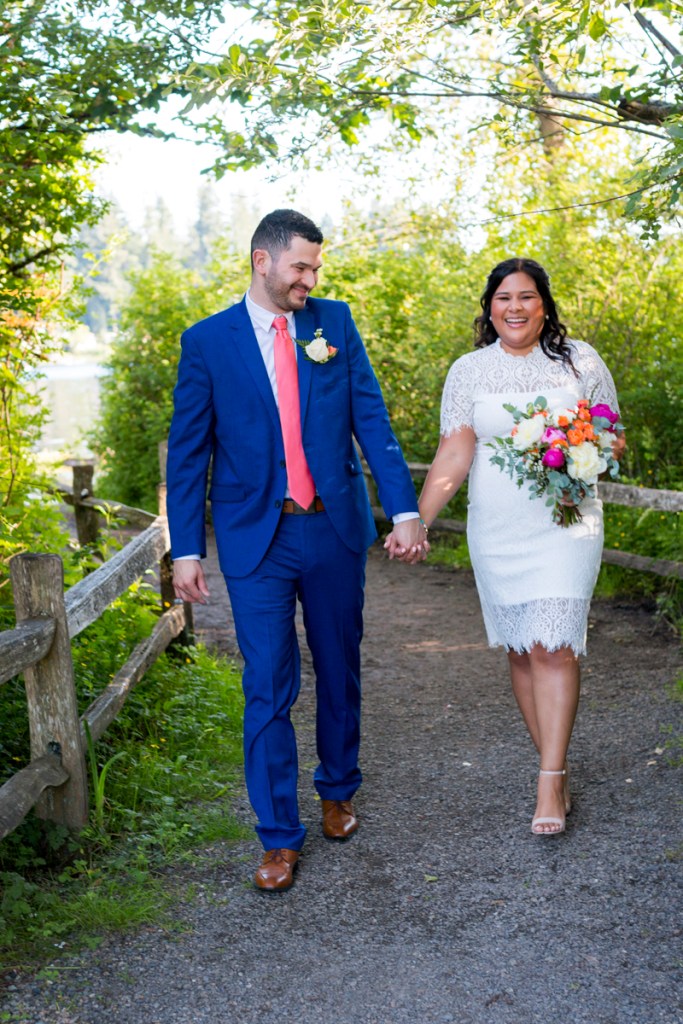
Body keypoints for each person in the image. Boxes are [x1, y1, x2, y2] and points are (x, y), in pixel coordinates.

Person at [166, 209, 427, 890]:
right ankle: (278, 836)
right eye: (300, 267)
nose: (310, 279)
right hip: (256, 538)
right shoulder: (207, 342)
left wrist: (404, 511)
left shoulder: (331, 323)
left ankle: (338, 789)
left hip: (332, 529)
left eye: (315, 267)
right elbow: (188, 455)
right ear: (263, 261)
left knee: (339, 667)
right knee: (267, 685)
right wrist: (185, 548)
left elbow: (371, 418)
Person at [387, 257, 625, 836]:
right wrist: (417, 520)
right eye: (503, 298)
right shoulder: (469, 371)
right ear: (489, 308)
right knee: (522, 649)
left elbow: (613, 436)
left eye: (526, 297)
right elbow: (454, 454)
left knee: (553, 645)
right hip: (497, 529)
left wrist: (581, 450)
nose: (514, 308)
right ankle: (556, 768)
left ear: (545, 305)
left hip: (567, 523)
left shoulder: (580, 360)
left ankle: (548, 779)